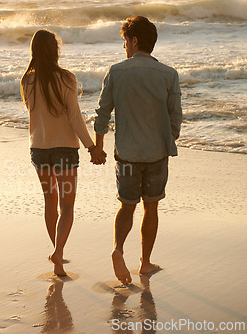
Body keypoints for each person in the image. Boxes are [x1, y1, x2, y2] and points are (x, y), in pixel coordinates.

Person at [93, 16, 183, 284]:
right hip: (157, 154)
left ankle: (118, 250)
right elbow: (175, 117)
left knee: (127, 206)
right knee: (151, 207)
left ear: (134, 41)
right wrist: (168, 140)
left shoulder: (116, 72)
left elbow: (102, 115)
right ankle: (144, 263)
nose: (124, 47)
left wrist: (98, 148)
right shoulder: (169, 74)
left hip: (127, 155)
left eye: (125, 41)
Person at [21, 29, 106, 276]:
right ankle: (58, 252)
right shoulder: (67, 78)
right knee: (67, 207)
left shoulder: (27, 80)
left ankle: (57, 255)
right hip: (65, 150)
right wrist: (92, 147)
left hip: (39, 149)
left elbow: (33, 112)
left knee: (50, 202)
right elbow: (74, 117)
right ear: (55, 51)